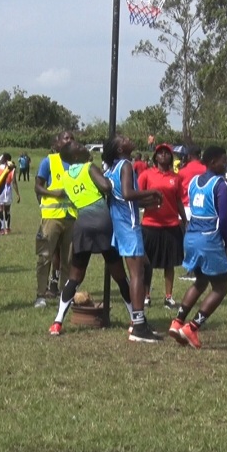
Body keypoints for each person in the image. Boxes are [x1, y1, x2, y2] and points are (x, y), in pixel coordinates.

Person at [48, 141, 144, 339]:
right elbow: (106, 186)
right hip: (103, 223)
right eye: (81, 148)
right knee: (120, 275)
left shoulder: (66, 177)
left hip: (82, 225)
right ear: (76, 157)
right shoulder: (88, 168)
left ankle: (57, 322)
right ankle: (134, 320)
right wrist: (105, 182)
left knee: (75, 277)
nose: (85, 148)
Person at [166, 145, 227, 351]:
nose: (226, 163)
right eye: (223, 159)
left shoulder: (194, 182)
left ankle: (177, 321)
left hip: (192, 236)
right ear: (213, 162)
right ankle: (192, 327)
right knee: (221, 287)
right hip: (208, 238)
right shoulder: (221, 185)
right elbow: (223, 218)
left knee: (200, 281)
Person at [103, 135, 163, 341]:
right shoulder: (126, 165)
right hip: (129, 226)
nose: (129, 138)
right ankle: (138, 326)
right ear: (120, 149)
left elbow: (121, 198)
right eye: (123, 139)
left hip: (119, 225)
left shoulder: (111, 169)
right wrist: (152, 191)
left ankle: (139, 320)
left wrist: (148, 202)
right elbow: (128, 194)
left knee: (144, 266)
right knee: (137, 273)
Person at [139, 143, 186, 308]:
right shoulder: (147, 175)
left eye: (167, 153)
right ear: (155, 157)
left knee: (169, 263)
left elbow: (179, 200)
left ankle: (168, 296)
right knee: (147, 263)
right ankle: (146, 296)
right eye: (160, 153)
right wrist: (149, 202)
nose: (164, 155)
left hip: (171, 225)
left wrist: (184, 220)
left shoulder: (176, 177)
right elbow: (137, 197)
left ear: (171, 157)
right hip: (150, 224)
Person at [34, 131, 77, 308]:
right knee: (45, 256)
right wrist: (53, 194)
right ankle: (40, 294)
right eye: (66, 138)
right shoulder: (49, 161)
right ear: (57, 143)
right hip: (52, 217)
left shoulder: (78, 163)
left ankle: (65, 295)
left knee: (69, 260)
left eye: (72, 138)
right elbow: (37, 187)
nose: (70, 141)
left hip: (72, 218)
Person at [0, 153, 20, 235]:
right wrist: (18, 194)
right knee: (7, 210)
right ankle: (7, 229)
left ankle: (2, 229)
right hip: (8, 190)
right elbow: (14, 182)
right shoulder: (12, 169)